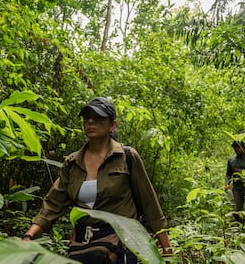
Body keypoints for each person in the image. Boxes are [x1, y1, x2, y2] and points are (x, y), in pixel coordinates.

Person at [23, 97, 172, 263]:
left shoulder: (127, 157)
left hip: (122, 244)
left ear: (112, 125)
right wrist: (29, 236)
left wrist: (166, 248)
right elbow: (52, 205)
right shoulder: (72, 164)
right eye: (86, 118)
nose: (90, 121)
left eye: (98, 118)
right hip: (84, 247)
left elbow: (149, 204)